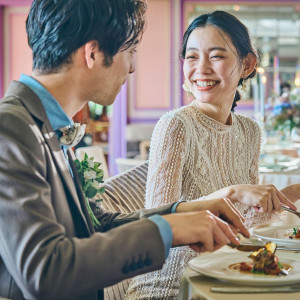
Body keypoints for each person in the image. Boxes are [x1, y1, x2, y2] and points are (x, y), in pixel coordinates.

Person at [0, 2, 251, 300]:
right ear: (92, 53)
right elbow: (45, 270)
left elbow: (95, 226)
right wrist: (168, 229)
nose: (132, 67)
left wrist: (186, 213)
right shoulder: (11, 128)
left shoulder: (42, 123)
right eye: (130, 52)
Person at [126, 11, 298, 299]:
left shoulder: (249, 131)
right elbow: (158, 225)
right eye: (192, 57)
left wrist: (287, 195)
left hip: (226, 274)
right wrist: (232, 192)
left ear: (247, 64)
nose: (201, 69)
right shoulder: (175, 126)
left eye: (216, 56)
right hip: (171, 287)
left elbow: (242, 227)